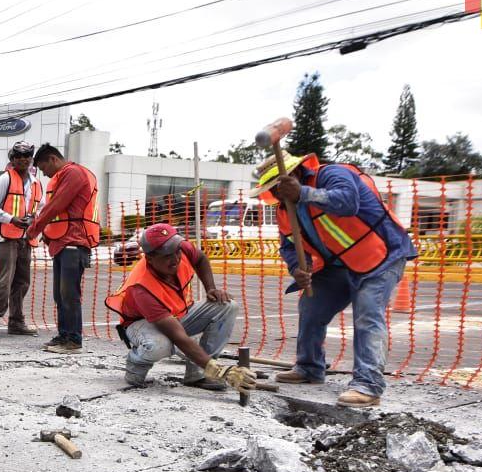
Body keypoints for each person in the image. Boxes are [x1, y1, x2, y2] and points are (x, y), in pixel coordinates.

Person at [262, 151, 416, 407]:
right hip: (338, 265)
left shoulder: (332, 174)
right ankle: (309, 368)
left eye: (278, 186)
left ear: (295, 174)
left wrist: (303, 193)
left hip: (380, 256)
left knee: (367, 313)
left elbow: (347, 202)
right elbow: (288, 246)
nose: (277, 194)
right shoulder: (284, 210)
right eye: (272, 190)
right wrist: (298, 268)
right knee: (311, 308)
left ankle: (368, 384)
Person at [105, 223, 249, 392]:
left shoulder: (181, 248)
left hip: (176, 315)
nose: (175, 258)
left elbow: (200, 258)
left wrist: (210, 288)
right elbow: (178, 337)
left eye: (176, 251)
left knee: (226, 306)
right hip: (140, 324)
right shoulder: (141, 288)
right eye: (166, 255)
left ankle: (198, 374)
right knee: (160, 345)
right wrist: (220, 372)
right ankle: (135, 366)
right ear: (150, 258)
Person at [24, 144, 100, 353]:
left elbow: (57, 205)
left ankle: (73, 341)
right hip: (63, 244)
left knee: (69, 295)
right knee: (60, 295)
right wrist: (48, 235)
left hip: (74, 243)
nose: (45, 174)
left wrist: (35, 229)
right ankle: (64, 335)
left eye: (43, 168)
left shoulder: (73, 173)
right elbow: (60, 212)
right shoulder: (65, 175)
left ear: (52, 160)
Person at [0, 141, 41, 339]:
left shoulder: (36, 183)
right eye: (18, 157)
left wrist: (32, 218)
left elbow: (40, 208)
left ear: (31, 159)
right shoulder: (4, 179)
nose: (23, 159)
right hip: (6, 238)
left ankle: (16, 322)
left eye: (27, 156)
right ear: (12, 159)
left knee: (22, 282)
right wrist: (12, 219)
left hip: (26, 238)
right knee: (3, 281)